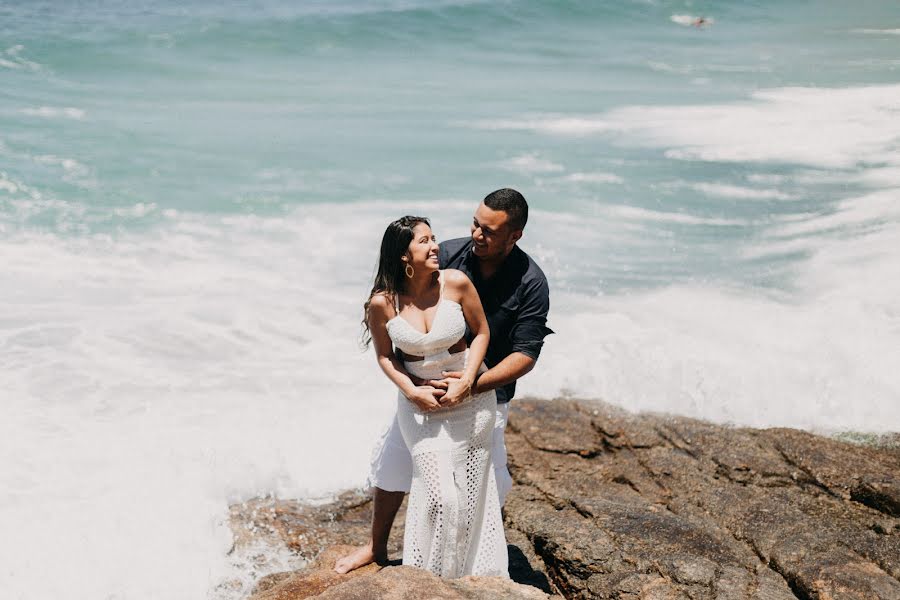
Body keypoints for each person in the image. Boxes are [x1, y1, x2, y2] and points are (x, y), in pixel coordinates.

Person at [335, 188, 553, 575]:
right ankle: (376, 546)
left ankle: (467, 565)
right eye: (475, 223)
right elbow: (390, 335)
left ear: (514, 235)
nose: (476, 235)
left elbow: (526, 354)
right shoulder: (446, 255)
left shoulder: (531, 282)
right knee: (392, 467)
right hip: (423, 394)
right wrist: (412, 388)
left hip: (487, 390)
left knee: (489, 485)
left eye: (488, 230)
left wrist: (472, 382)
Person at [355, 215, 508, 578]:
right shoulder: (383, 303)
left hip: (471, 402)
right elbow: (384, 356)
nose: (435, 246)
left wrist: (468, 380)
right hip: (419, 408)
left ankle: (474, 576)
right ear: (403, 256)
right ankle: (431, 577)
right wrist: (411, 390)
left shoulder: (456, 283)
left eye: (434, 238)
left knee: (470, 499)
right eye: (424, 241)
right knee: (441, 497)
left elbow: (482, 333)